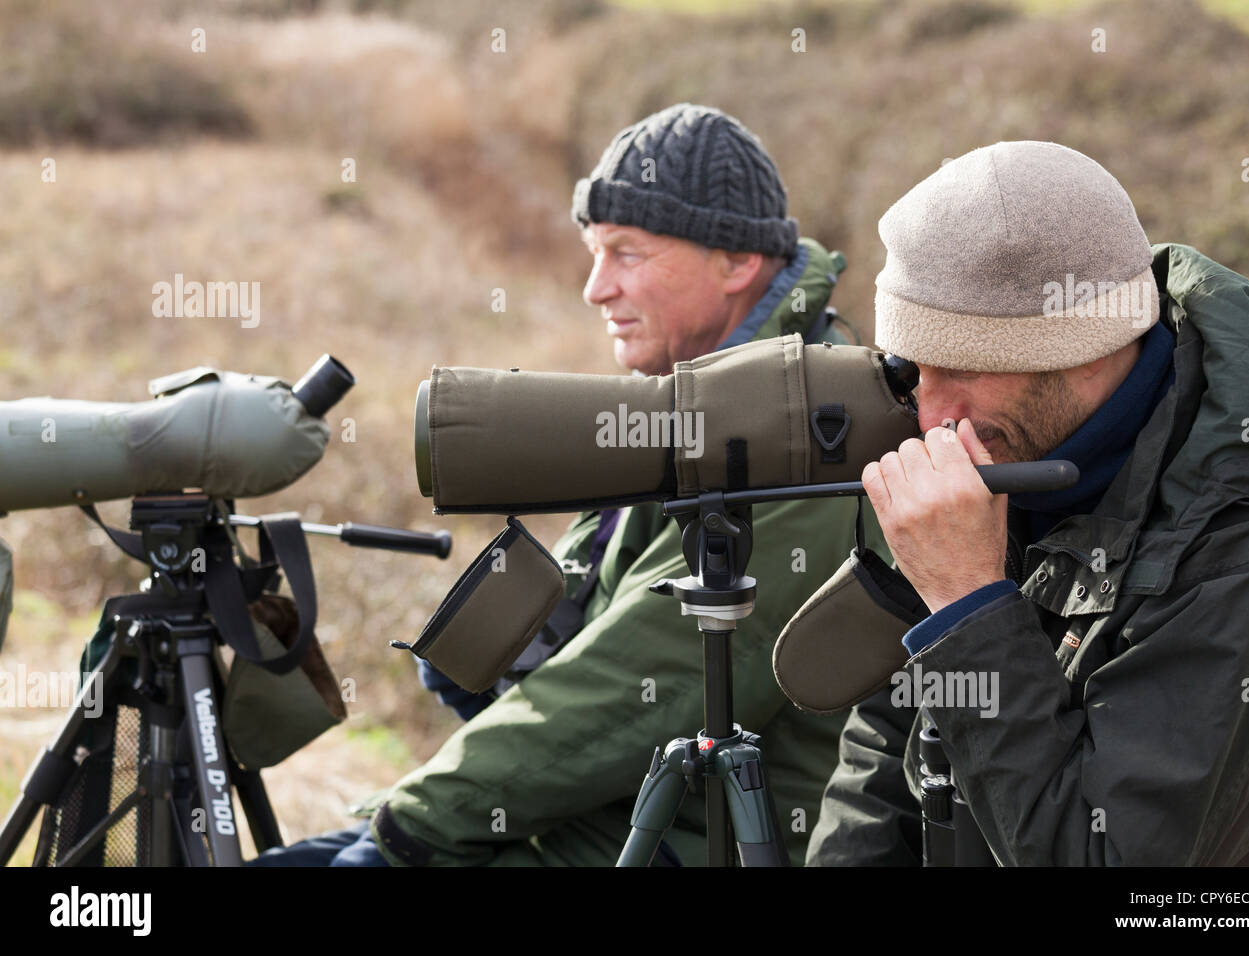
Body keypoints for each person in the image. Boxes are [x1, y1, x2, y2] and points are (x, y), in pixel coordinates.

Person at [253, 103, 883, 866]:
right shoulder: (696, 403)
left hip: (681, 837)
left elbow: (623, 694)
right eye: (592, 252)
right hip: (602, 811)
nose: (595, 288)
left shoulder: (807, 433)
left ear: (736, 262)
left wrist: (407, 833)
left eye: (626, 253)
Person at [807, 140, 1249, 866]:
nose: (931, 416)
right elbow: (885, 754)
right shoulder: (1004, 449)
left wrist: (968, 603)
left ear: (1092, 347)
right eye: (913, 370)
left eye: (966, 367)